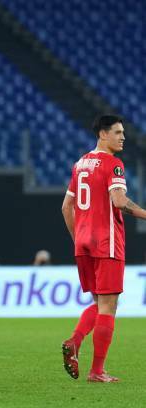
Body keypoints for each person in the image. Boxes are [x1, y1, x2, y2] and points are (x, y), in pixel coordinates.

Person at [61, 115, 146, 382]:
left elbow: (66, 207)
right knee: (109, 306)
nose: (123, 137)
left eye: (123, 133)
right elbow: (119, 201)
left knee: (99, 303)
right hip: (107, 242)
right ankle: (96, 370)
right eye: (117, 132)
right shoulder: (113, 164)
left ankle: (76, 342)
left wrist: (78, 237)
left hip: (83, 243)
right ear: (102, 134)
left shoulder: (80, 164)